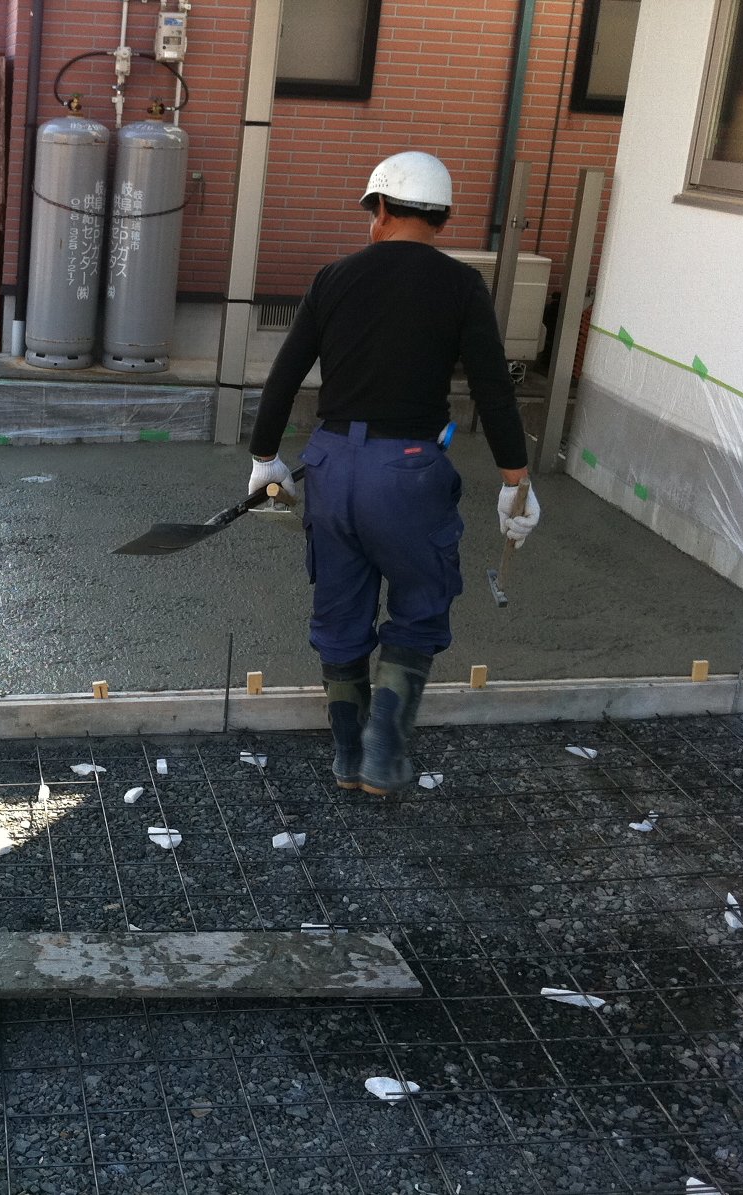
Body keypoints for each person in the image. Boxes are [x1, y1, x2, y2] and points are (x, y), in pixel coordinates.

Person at [245, 151, 542, 794]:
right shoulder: (461, 285)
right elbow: (493, 390)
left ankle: (347, 755)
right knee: (419, 604)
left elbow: (284, 375)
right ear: (441, 218)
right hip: (408, 470)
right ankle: (383, 750)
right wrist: (515, 481)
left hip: (329, 463)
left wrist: (265, 457)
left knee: (339, 612)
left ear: (380, 209)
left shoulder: (333, 278)